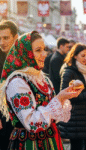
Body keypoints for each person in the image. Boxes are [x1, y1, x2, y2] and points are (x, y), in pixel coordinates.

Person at [0, 31, 83, 149]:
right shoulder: (17, 82)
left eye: (44, 49)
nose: (44, 54)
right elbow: (31, 123)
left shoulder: (41, 78)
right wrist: (59, 98)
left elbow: (53, 116)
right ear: (25, 53)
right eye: (38, 50)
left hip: (50, 140)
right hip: (30, 143)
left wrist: (63, 97)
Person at [58, 43, 86, 150]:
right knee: (76, 147)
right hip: (75, 117)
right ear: (74, 55)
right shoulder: (69, 71)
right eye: (83, 55)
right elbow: (64, 96)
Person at [0, 20, 18, 150]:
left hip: (20, 115)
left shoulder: (22, 58)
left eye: (5, 38)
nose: (1, 42)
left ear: (15, 37)